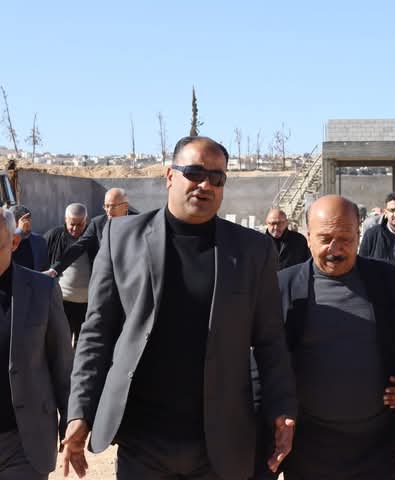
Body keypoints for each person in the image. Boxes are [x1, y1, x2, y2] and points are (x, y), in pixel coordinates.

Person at [61, 136, 297, 480]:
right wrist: (79, 412)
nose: (206, 185)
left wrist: (282, 407)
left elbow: (270, 341)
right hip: (142, 441)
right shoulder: (120, 238)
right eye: (195, 173)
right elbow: (96, 334)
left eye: (217, 178)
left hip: (218, 442)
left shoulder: (253, 251)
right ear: (170, 176)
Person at [277, 194, 395, 480]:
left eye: (345, 239)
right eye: (325, 239)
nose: (335, 249)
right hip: (309, 448)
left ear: (359, 235)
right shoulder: (283, 288)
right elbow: (266, 361)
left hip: (377, 448)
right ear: (308, 237)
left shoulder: (390, 281)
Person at [0, 207, 73, 479]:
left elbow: (62, 363)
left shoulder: (43, 290)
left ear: (14, 242)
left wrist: (70, 424)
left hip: (24, 442)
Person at [44, 188, 130, 278]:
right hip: (107, 279)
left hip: (129, 278)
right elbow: (79, 246)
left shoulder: (137, 223)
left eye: (113, 206)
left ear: (126, 206)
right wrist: (54, 270)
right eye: (106, 206)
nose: (109, 211)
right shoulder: (97, 223)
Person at [44, 203, 90, 346]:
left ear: (86, 221)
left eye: (80, 225)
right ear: (65, 220)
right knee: (61, 342)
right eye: (72, 224)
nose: (75, 229)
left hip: (88, 303)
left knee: (84, 343)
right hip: (61, 301)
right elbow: (43, 261)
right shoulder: (54, 235)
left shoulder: (94, 238)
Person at [8, 205, 49, 271]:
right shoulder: (5, 241)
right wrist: (19, 231)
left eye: (29, 221)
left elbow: (44, 268)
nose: (28, 226)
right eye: (24, 223)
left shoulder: (39, 241)